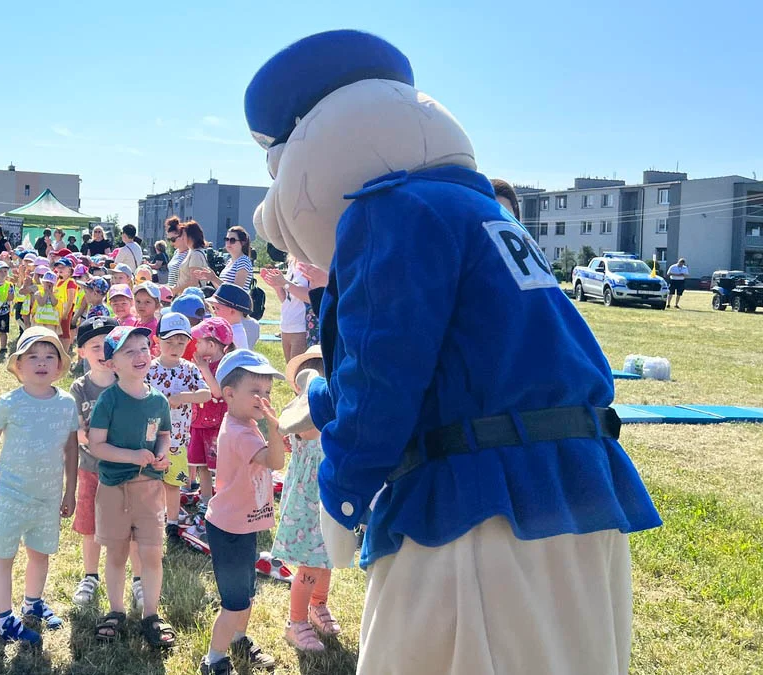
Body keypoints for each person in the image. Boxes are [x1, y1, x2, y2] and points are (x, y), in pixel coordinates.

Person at [246, 30, 661, 674]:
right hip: (578, 492)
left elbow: (382, 375)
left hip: (478, 513)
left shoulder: (392, 209)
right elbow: (456, 358)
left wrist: (343, 490)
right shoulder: (481, 212)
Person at [0, 327, 78, 644]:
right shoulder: (9, 402)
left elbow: (72, 449)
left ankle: (32, 602)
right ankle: (5, 620)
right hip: (11, 497)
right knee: (3, 556)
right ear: (18, 366)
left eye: (50, 356)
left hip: (47, 498)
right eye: (32, 356)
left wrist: (70, 490)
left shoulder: (66, 404)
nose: (42, 362)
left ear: (60, 366)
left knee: (40, 554)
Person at [87, 326, 176, 649]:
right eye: (129, 352)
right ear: (112, 364)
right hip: (115, 489)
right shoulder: (108, 401)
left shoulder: (158, 400)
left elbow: (163, 434)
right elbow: (96, 445)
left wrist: (162, 453)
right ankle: (116, 610)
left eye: (144, 348)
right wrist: (131, 455)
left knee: (152, 553)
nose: (140, 356)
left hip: (151, 491)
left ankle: (151, 614)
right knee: (117, 552)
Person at [199, 350, 285, 674]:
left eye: (267, 392)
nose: (263, 399)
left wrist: (271, 435)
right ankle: (214, 660)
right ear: (230, 394)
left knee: (246, 594)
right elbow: (275, 462)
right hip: (231, 530)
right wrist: (275, 431)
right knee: (233, 602)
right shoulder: (241, 432)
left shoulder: (241, 420)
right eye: (256, 392)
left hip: (243, 525)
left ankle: (239, 639)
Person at [271, 348, 341, 653]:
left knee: (328, 561)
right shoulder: (305, 414)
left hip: (330, 498)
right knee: (311, 566)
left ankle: (318, 606)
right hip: (309, 503)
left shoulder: (337, 410)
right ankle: (296, 622)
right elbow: (312, 429)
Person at [68, 316, 122, 605]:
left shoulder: (127, 383)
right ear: (82, 352)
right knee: (89, 526)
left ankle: (133, 579)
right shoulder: (79, 388)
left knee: (125, 527)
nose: (102, 352)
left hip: (125, 471)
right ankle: (90, 576)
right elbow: (79, 432)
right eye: (94, 346)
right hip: (90, 469)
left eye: (108, 345)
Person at [146, 313, 210, 537]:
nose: (175, 346)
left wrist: (183, 397)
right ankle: (152, 518)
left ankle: (172, 521)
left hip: (178, 440)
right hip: (150, 440)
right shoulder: (149, 369)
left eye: (181, 342)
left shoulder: (189, 369)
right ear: (157, 342)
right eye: (169, 341)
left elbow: (206, 394)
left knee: (173, 483)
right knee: (151, 483)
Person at [188, 317, 234, 509]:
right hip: (199, 422)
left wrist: (204, 369)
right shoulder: (204, 363)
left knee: (219, 466)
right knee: (202, 466)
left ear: (212, 344)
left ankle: (224, 499)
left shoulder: (225, 365)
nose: (195, 344)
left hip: (216, 425)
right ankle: (206, 501)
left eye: (199, 341)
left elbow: (216, 392)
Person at [260, 263, 313, 362]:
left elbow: (313, 298)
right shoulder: (292, 264)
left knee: (299, 374)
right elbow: (287, 300)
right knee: (290, 373)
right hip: (286, 326)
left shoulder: (311, 263)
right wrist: (277, 286)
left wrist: (284, 283)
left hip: (302, 328)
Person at [196, 226, 253, 291]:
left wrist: (214, 278)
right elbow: (221, 290)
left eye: (232, 240)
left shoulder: (243, 261)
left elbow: (236, 291)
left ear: (243, 243)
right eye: (226, 239)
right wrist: (210, 278)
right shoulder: (230, 261)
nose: (228, 243)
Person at [168, 218, 212, 295]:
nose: (182, 237)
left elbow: (193, 282)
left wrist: (175, 290)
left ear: (190, 236)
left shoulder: (196, 254)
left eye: (184, 235)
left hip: (190, 296)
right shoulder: (193, 252)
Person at [208, 284, 255, 350]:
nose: (214, 312)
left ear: (232, 311)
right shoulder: (233, 328)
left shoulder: (233, 332)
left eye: (217, 308)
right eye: (213, 308)